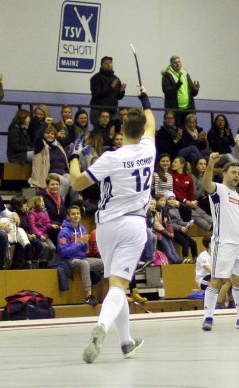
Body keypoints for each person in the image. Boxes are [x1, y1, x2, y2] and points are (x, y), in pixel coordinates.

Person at [68, 88, 155, 363]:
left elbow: (76, 182)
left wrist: (72, 156)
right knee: (119, 285)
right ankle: (101, 328)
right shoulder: (150, 148)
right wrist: (145, 98)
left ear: (121, 129)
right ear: (142, 131)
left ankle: (127, 342)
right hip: (134, 225)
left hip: (105, 226)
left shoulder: (111, 158)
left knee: (116, 284)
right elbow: (152, 121)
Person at [201, 152, 239, 331]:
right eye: (233, 172)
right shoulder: (218, 189)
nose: (237, 175)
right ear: (224, 174)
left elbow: (234, 218)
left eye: (238, 173)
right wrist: (211, 164)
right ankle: (208, 318)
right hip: (223, 243)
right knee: (217, 280)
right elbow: (206, 183)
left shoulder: (236, 195)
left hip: (238, 244)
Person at [57, 205, 103, 305]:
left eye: (78, 213)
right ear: (68, 216)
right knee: (84, 264)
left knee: (105, 262)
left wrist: (85, 244)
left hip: (82, 257)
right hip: (69, 260)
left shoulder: (83, 229)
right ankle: (88, 296)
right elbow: (63, 251)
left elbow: (85, 250)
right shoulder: (63, 232)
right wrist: (80, 244)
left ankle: (111, 292)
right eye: (73, 214)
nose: (76, 216)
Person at [161, 55, 200, 127]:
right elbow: (167, 91)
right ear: (171, 64)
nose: (177, 64)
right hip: (175, 110)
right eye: (175, 62)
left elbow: (192, 94)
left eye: (179, 62)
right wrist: (178, 84)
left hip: (188, 109)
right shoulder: (167, 75)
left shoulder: (185, 74)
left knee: (188, 131)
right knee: (176, 130)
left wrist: (195, 90)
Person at [89, 56, 126, 126]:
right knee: (98, 134)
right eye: (106, 63)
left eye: (110, 63)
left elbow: (118, 97)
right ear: (102, 65)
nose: (109, 65)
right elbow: (96, 94)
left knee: (112, 133)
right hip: (98, 111)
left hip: (112, 112)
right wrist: (111, 87)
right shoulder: (96, 78)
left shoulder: (116, 79)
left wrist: (121, 92)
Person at [26, 195, 56, 265]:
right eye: (41, 201)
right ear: (36, 203)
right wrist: (39, 235)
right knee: (44, 246)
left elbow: (47, 223)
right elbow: (33, 226)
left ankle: (50, 263)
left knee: (52, 248)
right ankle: (42, 263)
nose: (43, 203)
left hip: (45, 235)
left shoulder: (45, 212)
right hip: (38, 235)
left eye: (43, 201)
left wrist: (51, 226)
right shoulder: (32, 214)